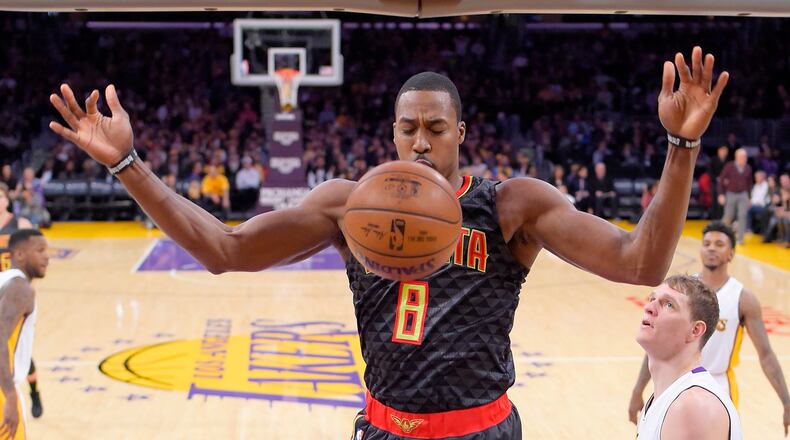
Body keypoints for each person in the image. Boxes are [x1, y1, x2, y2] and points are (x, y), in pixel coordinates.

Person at [49, 47, 728, 439]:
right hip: (382, 428)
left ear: (462, 133)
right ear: (393, 132)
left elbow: (640, 261)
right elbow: (225, 251)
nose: (421, 140)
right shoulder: (348, 204)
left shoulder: (510, 204)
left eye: (436, 126)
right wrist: (125, 166)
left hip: (481, 431)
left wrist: (681, 145)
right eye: (409, 128)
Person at [628, 222, 790, 434]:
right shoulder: (682, 291)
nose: (711, 248)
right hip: (675, 378)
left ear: (731, 253)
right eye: (707, 243)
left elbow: (766, 355)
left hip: (718, 383)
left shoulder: (742, 298)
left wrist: (786, 401)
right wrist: (638, 389)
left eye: (719, 244)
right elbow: (658, 346)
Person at [634, 275, 742, 439]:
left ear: (695, 330)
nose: (649, 307)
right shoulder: (666, 398)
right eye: (652, 298)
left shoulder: (694, 407)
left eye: (669, 304)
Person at [0, 229, 49, 439]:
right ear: (19, 254)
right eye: (39, 250)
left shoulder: (4, 280)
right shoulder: (21, 288)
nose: (46, 256)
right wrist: (10, 395)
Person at [0, 184, 43, 420]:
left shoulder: (19, 225)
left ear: (7, 199)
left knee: (19, 352)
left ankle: (34, 391)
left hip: (14, 296)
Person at [718, 148, 752, 244]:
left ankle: (740, 238)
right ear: (736, 157)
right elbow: (721, 180)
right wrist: (721, 194)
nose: (744, 158)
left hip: (743, 194)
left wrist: (749, 198)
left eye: (745, 156)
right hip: (731, 193)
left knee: (743, 215)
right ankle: (722, 235)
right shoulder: (729, 166)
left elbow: (749, 184)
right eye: (742, 156)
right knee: (728, 216)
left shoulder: (748, 168)